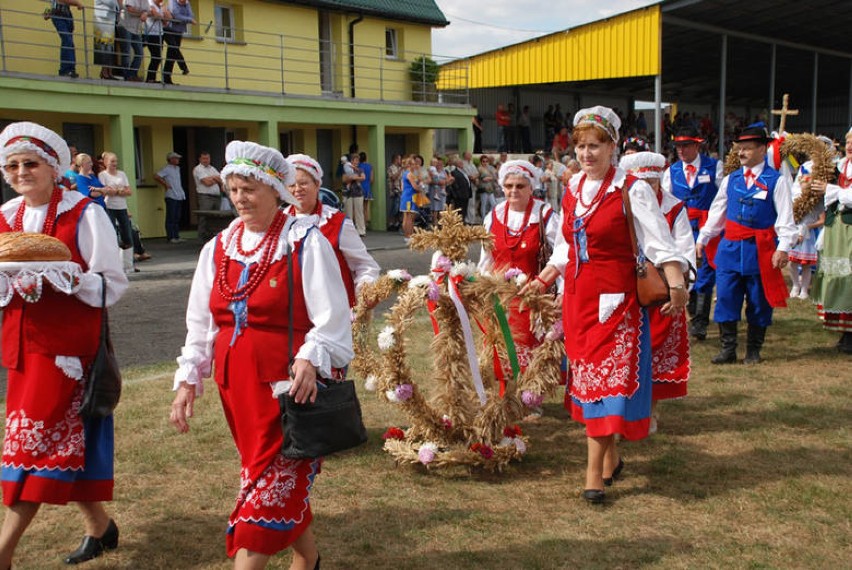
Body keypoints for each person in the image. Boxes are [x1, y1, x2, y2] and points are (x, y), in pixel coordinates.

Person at [170, 140, 352, 569]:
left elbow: (332, 316)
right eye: (233, 189)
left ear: (276, 189)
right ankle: (309, 559)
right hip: (236, 389)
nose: (240, 198)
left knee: (266, 492)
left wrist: (311, 355)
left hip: (287, 387)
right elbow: (200, 324)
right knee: (268, 479)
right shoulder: (217, 248)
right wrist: (187, 381)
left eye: (249, 188)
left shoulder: (304, 241)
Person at [525, 106, 689, 504]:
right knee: (588, 384)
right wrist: (544, 278)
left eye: (594, 145)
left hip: (616, 300)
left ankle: (592, 475)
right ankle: (611, 458)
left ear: (612, 146)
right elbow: (566, 246)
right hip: (579, 297)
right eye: (580, 146)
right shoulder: (572, 189)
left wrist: (676, 282)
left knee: (606, 384)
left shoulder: (630, 188)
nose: (586, 154)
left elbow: (659, 240)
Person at [0, 122, 128, 567]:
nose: (20, 172)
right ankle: (100, 527)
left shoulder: (84, 212)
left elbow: (112, 283)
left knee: (31, 448)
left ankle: (3, 551)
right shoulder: (5, 216)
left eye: (30, 163)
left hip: (68, 354)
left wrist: (68, 278)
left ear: (53, 167)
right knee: (58, 447)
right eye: (12, 165)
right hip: (21, 352)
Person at [696, 122, 797, 364]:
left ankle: (753, 350)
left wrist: (783, 247)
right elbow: (717, 211)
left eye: (747, 148)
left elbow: (786, 218)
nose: (741, 153)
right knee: (727, 297)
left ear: (762, 150)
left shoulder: (777, 181)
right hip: (730, 249)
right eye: (739, 148)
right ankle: (728, 349)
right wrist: (703, 238)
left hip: (760, 250)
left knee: (759, 301)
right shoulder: (731, 179)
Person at [620, 151, 694, 434]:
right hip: (627, 287)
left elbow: (685, 247)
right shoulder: (623, 202)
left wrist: (678, 283)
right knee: (628, 350)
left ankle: (649, 409)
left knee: (657, 350)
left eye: (652, 183)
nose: (647, 189)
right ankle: (624, 410)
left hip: (659, 288)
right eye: (642, 183)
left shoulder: (674, 208)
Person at [478, 160, 558, 407]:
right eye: (509, 186)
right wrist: (482, 286)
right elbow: (486, 258)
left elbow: (561, 256)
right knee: (501, 345)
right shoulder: (493, 216)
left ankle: (533, 398)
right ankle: (506, 395)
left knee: (533, 347)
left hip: (534, 295)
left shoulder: (545, 215)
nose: (514, 191)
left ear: (531, 187)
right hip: (501, 298)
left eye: (520, 186)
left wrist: (551, 287)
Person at [285, 153, 380, 307]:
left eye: (303, 183)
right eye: (291, 185)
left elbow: (365, 265)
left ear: (317, 185)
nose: (297, 189)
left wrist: (365, 288)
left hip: (334, 311)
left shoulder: (337, 222)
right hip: (293, 314)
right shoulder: (279, 222)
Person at [661, 125, 723, 341]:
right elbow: (666, 202)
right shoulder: (672, 171)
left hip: (707, 226)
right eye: (678, 146)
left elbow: (722, 199)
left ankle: (700, 322)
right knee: (685, 271)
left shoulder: (714, 167)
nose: (681, 150)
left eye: (685, 145)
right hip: (681, 229)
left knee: (705, 274)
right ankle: (690, 313)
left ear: (697, 146)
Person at [811, 126, 852, 353]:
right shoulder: (839, 168)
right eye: (848, 142)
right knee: (838, 276)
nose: (850, 147)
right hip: (836, 227)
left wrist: (831, 189)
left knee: (850, 278)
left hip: (850, 230)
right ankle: (844, 331)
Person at [788, 153, 827, 300]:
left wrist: (808, 227)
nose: (804, 187)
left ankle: (804, 289)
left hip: (807, 236)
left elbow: (822, 220)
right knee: (792, 262)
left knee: (805, 265)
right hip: (794, 233)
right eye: (802, 184)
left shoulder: (816, 203)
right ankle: (795, 285)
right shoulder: (795, 201)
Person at [154, 151, 187, 243]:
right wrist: (165, 184)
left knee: (177, 217)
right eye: (176, 158)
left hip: (179, 195)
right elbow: (156, 176)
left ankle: (176, 235)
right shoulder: (166, 169)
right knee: (171, 217)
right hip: (171, 195)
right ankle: (170, 236)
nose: (178, 160)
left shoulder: (177, 169)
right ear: (171, 159)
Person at [162, 0, 195, 85]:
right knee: (174, 48)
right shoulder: (172, 2)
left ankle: (167, 78)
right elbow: (177, 16)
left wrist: (189, 18)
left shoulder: (187, 3)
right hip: (168, 29)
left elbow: (191, 15)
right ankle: (184, 67)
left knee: (171, 55)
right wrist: (189, 20)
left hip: (179, 31)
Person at [192, 151, 224, 239]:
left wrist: (213, 178)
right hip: (205, 196)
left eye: (208, 158)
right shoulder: (198, 169)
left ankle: (212, 236)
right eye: (204, 158)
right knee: (205, 217)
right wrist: (215, 178)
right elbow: (207, 183)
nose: (206, 160)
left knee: (216, 218)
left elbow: (221, 179)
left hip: (216, 196)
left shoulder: (212, 168)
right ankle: (202, 236)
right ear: (200, 159)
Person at [48, 0, 84, 78]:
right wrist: (77, 3)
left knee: (68, 42)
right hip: (59, 15)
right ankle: (66, 70)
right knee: (67, 40)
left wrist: (48, 12)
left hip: (66, 15)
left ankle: (69, 69)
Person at [117, 0, 147, 81]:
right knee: (126, 52)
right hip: (125, 26)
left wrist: (146, 13)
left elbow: (149, 11)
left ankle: (132, 74)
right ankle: (126, 75)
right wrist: (142, 13)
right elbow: (130, 10)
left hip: (136, 30)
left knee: (139, 53)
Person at [93, 0, 121, 80]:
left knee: (110, 48)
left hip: (110, 21)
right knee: (104, 46)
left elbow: (117, 7)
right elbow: (111, 3)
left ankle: (109, 72)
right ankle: (104, 72)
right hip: (102, 20)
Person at [342, 152, 366, 236]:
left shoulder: (359, 169)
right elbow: (345, 179)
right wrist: (353, 178)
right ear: (351, 161)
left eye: (357, 160)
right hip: (348, 193)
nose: (356, 162)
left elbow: (363, 177)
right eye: (355, 160)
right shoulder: (346, 168)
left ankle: (361, 230)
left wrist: (355, 177)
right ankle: (349, 231)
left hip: (358, 192)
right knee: (348, 212)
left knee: (359, 212)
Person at [144, 0, 168, 82]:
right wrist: (161, 15)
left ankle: (152, 78)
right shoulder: (149, 2)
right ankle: (150, 78)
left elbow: (166, 21)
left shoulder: (161, 5)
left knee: (158, 57)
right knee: (156, 56)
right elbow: (155, 14)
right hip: (150, 33)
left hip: (159, 34)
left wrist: (162, 13)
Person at [428, 156, 448, 225]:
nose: (439, 165)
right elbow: (428, 181)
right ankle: (434, 223)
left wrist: (444, 182)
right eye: (438, 164)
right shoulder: (432, 170)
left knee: (442, 208)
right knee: (435, 208)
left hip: (442, 192)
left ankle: (441, 224)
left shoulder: (444, 171)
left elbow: (447, 180)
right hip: (434, 191)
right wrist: (438, 182)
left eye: (441, 164)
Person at [477, 155, 498, 221]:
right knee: (484, 204)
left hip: (490, 188)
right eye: (483, 161)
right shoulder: (479, 169)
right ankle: (484, 219)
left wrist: (489, 178)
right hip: (483, 188)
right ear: (481, 162)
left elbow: (495, 176)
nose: (485, 163)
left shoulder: (491, 168)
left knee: (493, 204)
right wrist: (487, 178)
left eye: (486, 161)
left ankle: (489, 217)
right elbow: (480, 179)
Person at [386, 154, 403, 231]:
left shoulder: (400, 168)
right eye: (399, 159)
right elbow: (393, 177)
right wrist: (400, 170)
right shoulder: (391, 168)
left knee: (399, 208)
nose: (401, 161)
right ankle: (391, 223)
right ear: (396, 159)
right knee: (394, 208)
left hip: (400, 190)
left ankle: (397, 223)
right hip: (394, 190)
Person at [358, 152, 374, 226]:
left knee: (358, 207)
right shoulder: (370, 166)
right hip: (367, 187)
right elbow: (371, 179)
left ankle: (359, 224)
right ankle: (365, 223)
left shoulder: (358, 166)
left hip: (359, 187)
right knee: (365, 207)